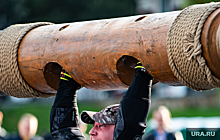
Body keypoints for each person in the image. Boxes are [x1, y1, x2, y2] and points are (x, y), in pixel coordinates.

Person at [50, 62, 153, 140]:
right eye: (94, 126)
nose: (91, 132)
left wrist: (143, 73)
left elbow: (129, 126)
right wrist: (68, 80)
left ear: (118, 129)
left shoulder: (126, 131)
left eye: (101, 126)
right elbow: (62, 131)